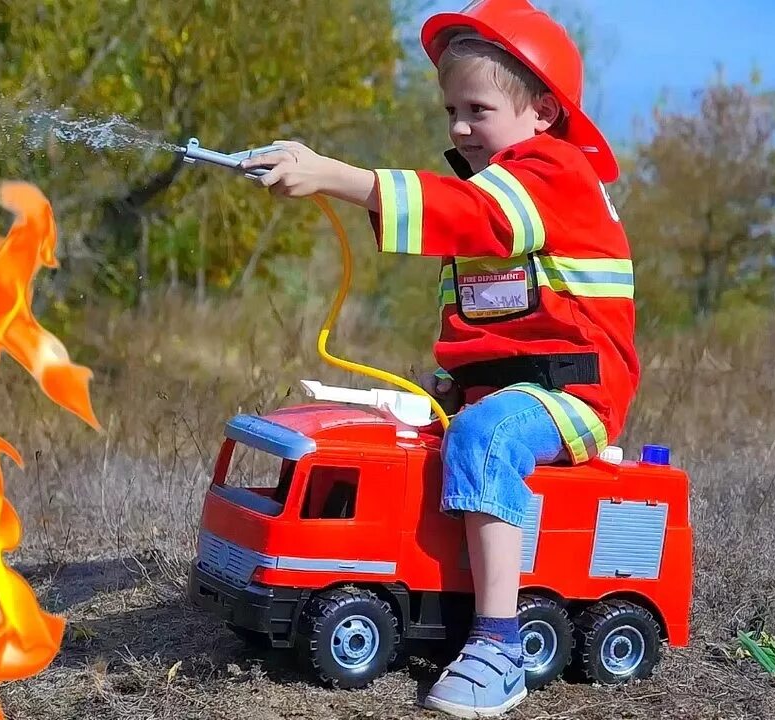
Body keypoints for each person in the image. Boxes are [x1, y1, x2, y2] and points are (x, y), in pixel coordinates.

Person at [240, 0, 639, 715]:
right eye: (451, 108)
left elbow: (471, 214)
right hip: (505, 391)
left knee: (486, 439)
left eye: (477, 109)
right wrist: (449, 383)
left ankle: (498, 646)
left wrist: (336, 175)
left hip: (576, 397)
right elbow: (484, 316)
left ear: (543, 109)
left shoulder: (552, 174)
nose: (458, 126)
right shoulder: (504, 185)